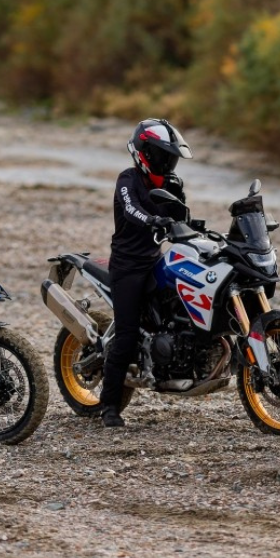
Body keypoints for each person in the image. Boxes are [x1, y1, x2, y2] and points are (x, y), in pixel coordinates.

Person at [98, 118, 192, 428]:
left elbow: (183, 219)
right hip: (127, 266)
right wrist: (153, 220)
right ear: (145, 153)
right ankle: (109, 406)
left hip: (154, 259)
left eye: (171, 157)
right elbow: (130, 209)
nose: (168, 163)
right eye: (163, 155)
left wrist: (189, 222)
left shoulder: (171, 183)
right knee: (125, 335)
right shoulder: (128, 179)